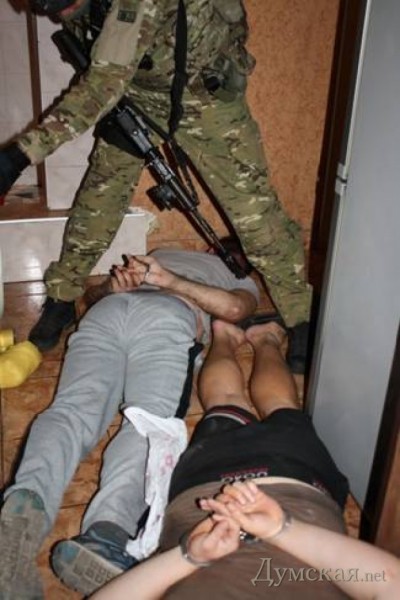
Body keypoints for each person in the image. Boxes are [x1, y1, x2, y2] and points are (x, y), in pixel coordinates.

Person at [0, 0, 312, 370]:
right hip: (134, 92)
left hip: (202, 96)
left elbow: (99, 87)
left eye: (68, 4)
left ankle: (300, 316)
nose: (61, 13)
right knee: (100, 198)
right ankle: (62, 297)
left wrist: (16, 158)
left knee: (255, 215)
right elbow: (105, 68)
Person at [0, 246, 259, 599]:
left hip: (106, 315)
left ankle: (23, 505)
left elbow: (90, 299)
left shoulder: (165, 254)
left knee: (71, 411)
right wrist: (128, 285)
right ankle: (107, 533)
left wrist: (113, 289)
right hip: (166, 317)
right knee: (149, 424)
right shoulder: (237, 278)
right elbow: (234, 309)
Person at [91, 320, 400, 599]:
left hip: (270, 493)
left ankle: (260, 338)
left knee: (276, 407)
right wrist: (277, 530)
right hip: (214, 500)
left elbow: (390, 582)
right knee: (230, 404)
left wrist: (191, 555)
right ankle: (231, 335)